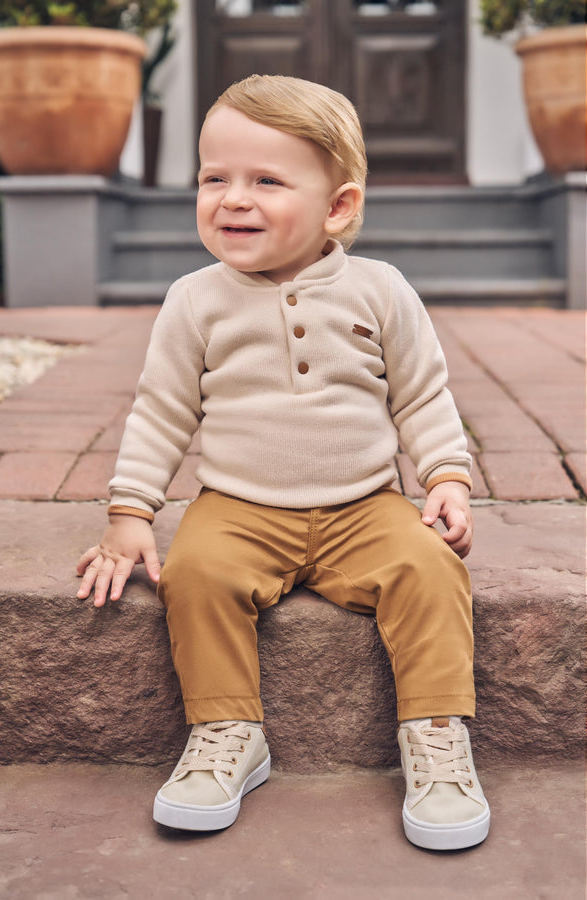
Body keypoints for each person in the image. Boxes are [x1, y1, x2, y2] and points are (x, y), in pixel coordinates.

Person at [76, 74, 490, 851]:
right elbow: (163, 410)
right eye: (214, 179)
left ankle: (436, 736)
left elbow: (423, 399)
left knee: (432, 570)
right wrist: (130, 514)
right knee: (196, 575)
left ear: (337, 207)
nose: (233, 199)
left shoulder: (381, 290)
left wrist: (446, 480)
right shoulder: (195, 300)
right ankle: (227, 732)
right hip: (237, 506)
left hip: (367, 506)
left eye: (266, 180)